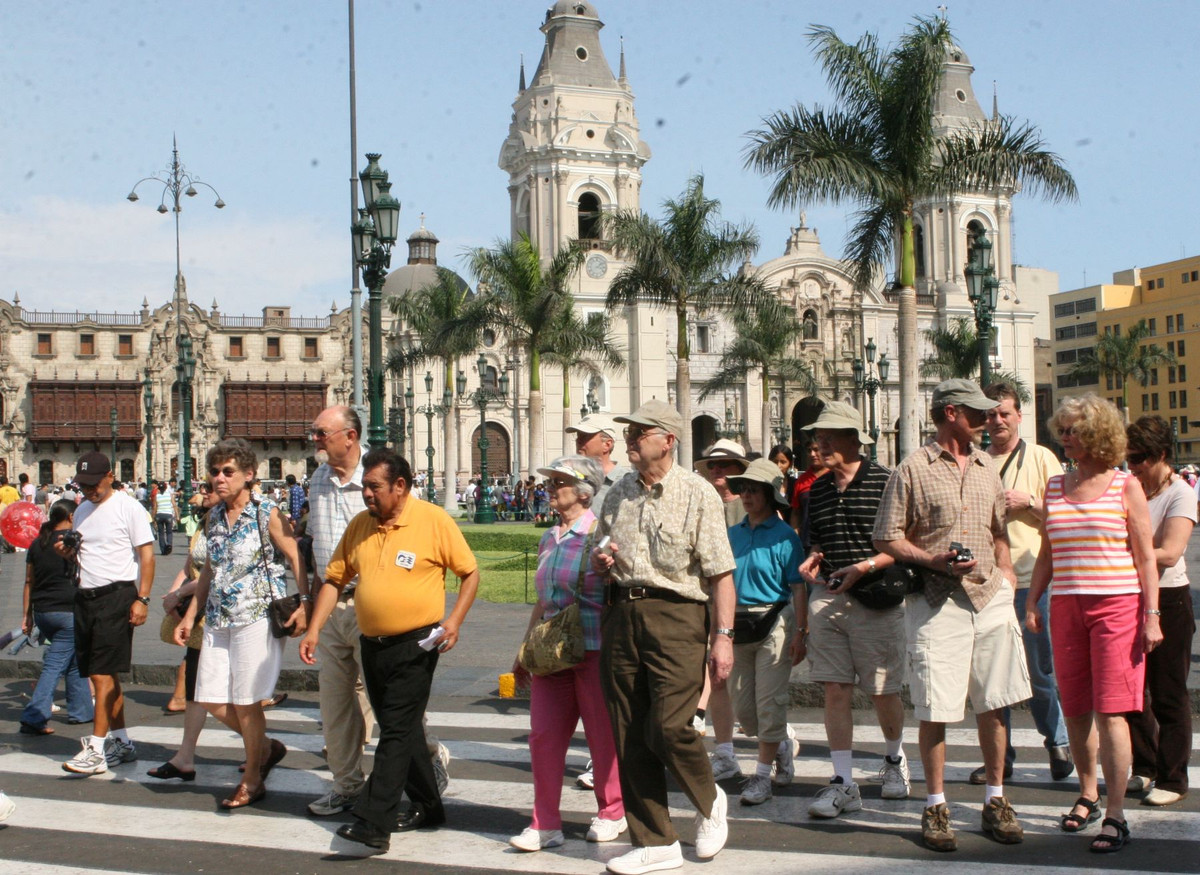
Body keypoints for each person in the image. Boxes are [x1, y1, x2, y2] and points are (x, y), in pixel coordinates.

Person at [873, 380, 1031, 852]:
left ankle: (996, 798)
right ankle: (936, 805)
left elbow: (998, 531)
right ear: (949, 413)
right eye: (976, 412)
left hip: (990, 597)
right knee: (935, 709)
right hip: (936, 600)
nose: (986, 419)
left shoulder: (987, 467)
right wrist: (932, 560)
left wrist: (1006, 573)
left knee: (995, 703)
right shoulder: (912, 468)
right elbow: (886, 537)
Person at [301, 448, 479, 852]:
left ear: (400, 486)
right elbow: (334, 580)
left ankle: (373, 822)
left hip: (416, 644)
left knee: (395, 732)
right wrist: (314, 629)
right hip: (373, 645)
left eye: (373, 486)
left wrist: (454, 622)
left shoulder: (433, 520)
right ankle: (429, 806)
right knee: (405, 730)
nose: (366, 493)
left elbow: (469, 573)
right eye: (365, 486)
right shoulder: (361, 525)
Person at [593, 399, 736, 875]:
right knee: (628, 730)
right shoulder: (617, 493)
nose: (630, 440)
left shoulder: (697, 493)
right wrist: (600, 561)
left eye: (640, 433)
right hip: (621, 613)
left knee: (672, 726)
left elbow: (720, 573)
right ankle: (656, 841)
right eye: (629, 432)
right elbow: (600, 547)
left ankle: (709, 798)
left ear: (668, 440)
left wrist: (723, 637)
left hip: (677, 617)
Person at [1026, 395, 1162, 852]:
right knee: (1076, 707)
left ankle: (1116, 813)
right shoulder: (1054, 487)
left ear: (1097, 435)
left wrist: (1152, 616)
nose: (1065, 437)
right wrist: (1034, 601)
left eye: (1074, 430)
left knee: (1111, 711)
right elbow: (1048, 552)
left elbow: (1145, 557)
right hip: (1066, 606)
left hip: (1117, 607)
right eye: (1062, 430)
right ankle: (1088, 794)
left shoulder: (1125, 485)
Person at [175, 439, 309, 809]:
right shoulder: (214, 516)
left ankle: (252, 779)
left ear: (249, 475)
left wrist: (305, 602)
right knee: (208, 696)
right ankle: (265, 747)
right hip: (218, 618)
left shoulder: (267, 512)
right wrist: (191, 615)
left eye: (228, 471)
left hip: (257, 616)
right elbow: (209, 570)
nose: (219, 478)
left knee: (247, 702)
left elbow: (295, 555)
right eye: (214, 471)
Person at [798, 401, 909, 818]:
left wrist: (865, 567)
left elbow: (904, 542)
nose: (820, 444)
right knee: (834, 688)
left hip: (876, 597)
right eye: (817, 437)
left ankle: (894, 760)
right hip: (830, 597)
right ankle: (843, 782)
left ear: (854, 440)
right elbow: (817, 539)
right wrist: (814, 556)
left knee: (883, 690)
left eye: (829, 437)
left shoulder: (886, 481)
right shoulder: (818, 489)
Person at [508, 456, 625, 851]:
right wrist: (525, 649)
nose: (551, 488)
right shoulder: (549, 538)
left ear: (584, 492)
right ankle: (545, 823)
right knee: (543, 737)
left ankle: (612, 810)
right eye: (551, 482)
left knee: (601, 736)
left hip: (593, 649)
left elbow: (617, 589)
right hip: (551, 654)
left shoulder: (599, 535)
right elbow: (543, 602)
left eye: (560, 482)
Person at [964, 383, 1072, 783]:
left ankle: (1057, 743)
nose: (997, 421)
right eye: (990, 414)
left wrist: (1030, 503)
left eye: (1004, 413)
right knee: (991, 676)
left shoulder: (1042, 457)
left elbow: (1066, 516)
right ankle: (1000, 758)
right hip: (987, 583)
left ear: (1018, 416)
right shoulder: (974, 461)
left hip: (1033, 582)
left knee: (1040, 671)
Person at [58, 452, 156, 776]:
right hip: (85, 597)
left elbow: (146, 555)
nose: (89, 491)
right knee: (105, 675)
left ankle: (97, 749)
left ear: (110, 477)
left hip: (116, 595)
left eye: (94, 484)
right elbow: (85, 553)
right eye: (83, 485)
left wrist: (143, 598)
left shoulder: (129, 507)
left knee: (100, 675)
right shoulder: (81, 510)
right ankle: (122, 742)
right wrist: (67, 553)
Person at [149, 482, 247, 781]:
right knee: (195, 687)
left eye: (209, 489)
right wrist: (172, 594)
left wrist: (181, 594)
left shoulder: (233, 525)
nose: (203, 492)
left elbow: (217, 572)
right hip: (199, 615)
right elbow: (190, 565)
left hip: (222, 614)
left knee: (224, 691)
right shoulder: (204, 524)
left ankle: (260, 746)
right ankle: (185, 757)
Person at [722, 459, 806, 805]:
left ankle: (761, 776)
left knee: (769, 703)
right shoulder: (733, 534)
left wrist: (802, 631)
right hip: (738, 624)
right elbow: (721, 582)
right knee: (744, 710)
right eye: (743, 489)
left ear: (770, 496)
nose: (746, 495)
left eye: (754, 490)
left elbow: (798, 586)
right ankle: (781, 743)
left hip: (775, 621)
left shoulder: (785, 537)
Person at [1124, 416, 1194, 808]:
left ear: (1161, 455)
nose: (1131, 465)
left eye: (1138, 458)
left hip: (1169, 599)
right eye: (1128, 458)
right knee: (1132, 691)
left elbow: (1170, 552)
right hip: (1129, 597)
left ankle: (1173, 776)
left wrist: (1126, 549)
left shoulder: (1179, 492)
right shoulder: (1131, 487)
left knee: (1169, 693)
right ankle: (1145, 764)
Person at [692, 439, 748, 777]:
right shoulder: (704, 503)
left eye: (724, 464)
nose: (717, 470)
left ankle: (778, 735)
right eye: (712, 465)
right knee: (718, 671)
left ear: (740, 470)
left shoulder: (751, 506)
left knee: (749, 686)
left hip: (750, 601)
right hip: (712, 598)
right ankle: (724, 749)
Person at [19, 499, 93, 734]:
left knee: (74, 660)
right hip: (68, 611)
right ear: (71, 517)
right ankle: (34, 716)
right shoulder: (74, 542)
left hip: (42, 612)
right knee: (54, 665)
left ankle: (82, 711)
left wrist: (27, 615)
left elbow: (28, 581)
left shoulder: (37, 543)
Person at [566, 413, 631, 508]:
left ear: (607, 445)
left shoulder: (628, 481)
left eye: (585, 436)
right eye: (578, 436)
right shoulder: (572, 479)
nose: (578, 441)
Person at [154, 480, 177, 555]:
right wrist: (177, 515)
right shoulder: (169, 495)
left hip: (159, 515)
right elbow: (174, 505)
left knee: (161, 533)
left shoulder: (157, 496)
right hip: (168, 515)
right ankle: (169, 544)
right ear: (166, 488)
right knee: (169, 532)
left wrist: (153, 517)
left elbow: (155, 507)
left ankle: (163, 550)